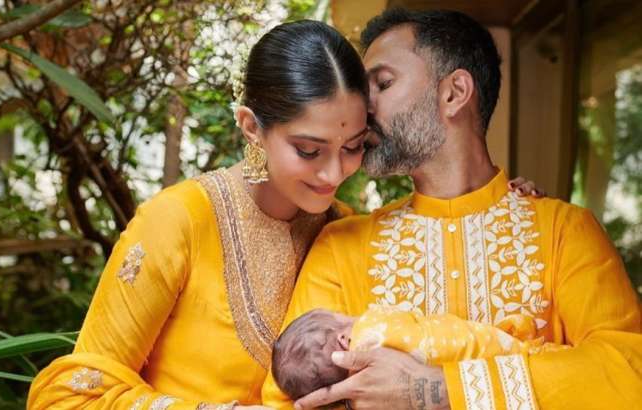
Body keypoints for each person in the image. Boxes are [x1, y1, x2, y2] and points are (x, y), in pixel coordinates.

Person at [27, 18, 540, 410]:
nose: (334, 173)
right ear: (252, 127)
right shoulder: (179, 220)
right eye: (309, 150)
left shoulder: (343, 229)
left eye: (355, 146)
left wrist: (500, 208)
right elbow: (68, 395)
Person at [261, 8, 642, 410]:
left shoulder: (565, 231)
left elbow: (628, 372)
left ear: (454, 93)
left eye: (383, 83)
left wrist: (439, 390)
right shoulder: (342, 247)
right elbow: (285, 401)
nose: (362, 108)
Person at [271, 307, 565, 402]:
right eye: (341, 317)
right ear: (344, 341)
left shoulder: (370, 399)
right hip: (515, 361)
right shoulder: (372, 328)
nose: (354, 316)